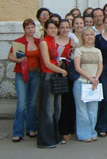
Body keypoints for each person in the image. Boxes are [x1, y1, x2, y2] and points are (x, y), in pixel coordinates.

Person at [8, 19, 41, 142]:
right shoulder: (19, 42)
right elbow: (10, 56)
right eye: (28, 28)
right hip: (22, 73)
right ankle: (18, 132)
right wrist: (19, 60)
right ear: (24, 29)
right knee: (22, 103)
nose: (30, 30)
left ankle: (31, 129)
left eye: (32, 27)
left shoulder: (38, 42)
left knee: (32, 102)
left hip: (35, 73)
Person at [37, 19, 68, 148]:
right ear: (45, 29)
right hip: (48, 77)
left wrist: (59, 64)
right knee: (48, 110)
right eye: (51, 28)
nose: (53, 30)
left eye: (55, 28)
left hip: (55, 76)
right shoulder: (44, 43)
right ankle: (45, 140)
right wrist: (61, 70)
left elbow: (53, 60)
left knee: (57, 109)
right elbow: (47, 63)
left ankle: (55, 136)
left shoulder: (53, 42)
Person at [73, 27, 103, 141]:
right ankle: (84, 134)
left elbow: (100, 66)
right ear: (83, 37)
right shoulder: (79, 50)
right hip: (81, 83)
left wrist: (96, 78)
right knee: (82, 110)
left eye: (91, 34)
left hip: (94, 84)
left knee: (93, 110)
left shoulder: (98, 51)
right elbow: (77, 67)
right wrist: (90, 78)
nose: (89, 37)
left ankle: (92, 132)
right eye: (87, 35)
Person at [55, 20, 75, 142]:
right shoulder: (54, 40)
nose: (64, 30)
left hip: (68, 71)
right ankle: (57, 129)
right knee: (58, 103)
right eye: (62, 27)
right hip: (56, 71)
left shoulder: (71, 41)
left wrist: (74, 47)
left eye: (67, 27)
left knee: (68, 101)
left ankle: (67, 129)